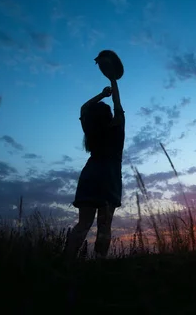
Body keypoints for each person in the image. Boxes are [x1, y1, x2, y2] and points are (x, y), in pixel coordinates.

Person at [64, 78, 125, 259]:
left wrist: (101, 95)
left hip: (90, 175)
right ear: (109, 116)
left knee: (83, 224)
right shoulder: (117, 128)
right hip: (110, 178)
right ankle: (99, 264)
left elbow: (84, 109)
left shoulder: (91, 131)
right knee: (104, 226)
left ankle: (67, 261)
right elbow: (118, 105)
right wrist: (113, 81)